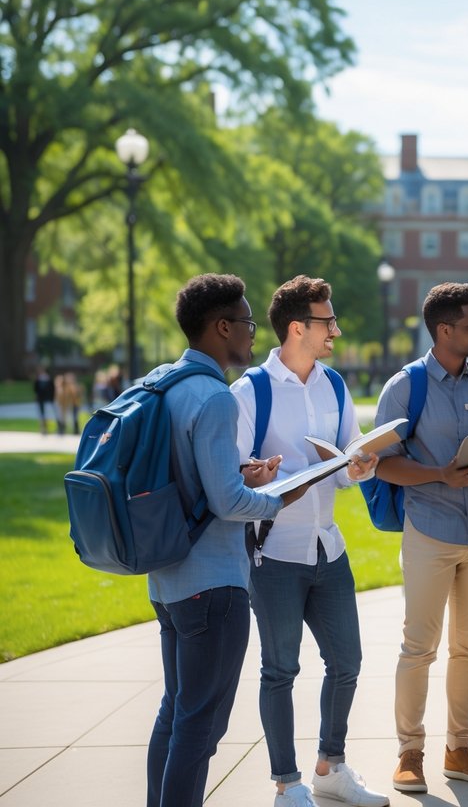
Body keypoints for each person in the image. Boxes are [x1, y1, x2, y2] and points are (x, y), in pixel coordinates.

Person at [147, 273, 308, 807]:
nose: (253, 333)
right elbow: (226, 503)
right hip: (213, 584)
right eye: (246, 323)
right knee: (201, 724)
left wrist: (243, 475)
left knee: (175, 711)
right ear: (221, 327)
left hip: (168, 578)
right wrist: (277, 498)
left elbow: (195, 476)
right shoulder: (215, 397)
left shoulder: (165, 384)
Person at [230, 276, 388, 807]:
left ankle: (330, 767)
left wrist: (361, 465)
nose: (336, 331)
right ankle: (286, 783)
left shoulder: (335, 385)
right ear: (298, 327)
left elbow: (345, 465)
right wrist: (257, 475)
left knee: (347, 662)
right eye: (328, 322)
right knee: (280, 670)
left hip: (328, 548)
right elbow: (232, 479)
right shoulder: (250, 390)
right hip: (273, 553)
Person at [372, 282, 468, 794]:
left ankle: (460, 749)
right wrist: (440, 476)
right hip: (429, 531)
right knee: (419, 647)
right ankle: (410, 752)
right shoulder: (405, 386)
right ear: (444, 330)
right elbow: (381, 465)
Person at [32, 365, 54, 435]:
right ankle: (43, 429)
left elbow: (52, 389)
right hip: (40, 399)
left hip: (47, 399)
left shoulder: (48, 379)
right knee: (41, 414)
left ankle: (47, 428)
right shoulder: (38, 379)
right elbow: (35, 389)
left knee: (47, 414)